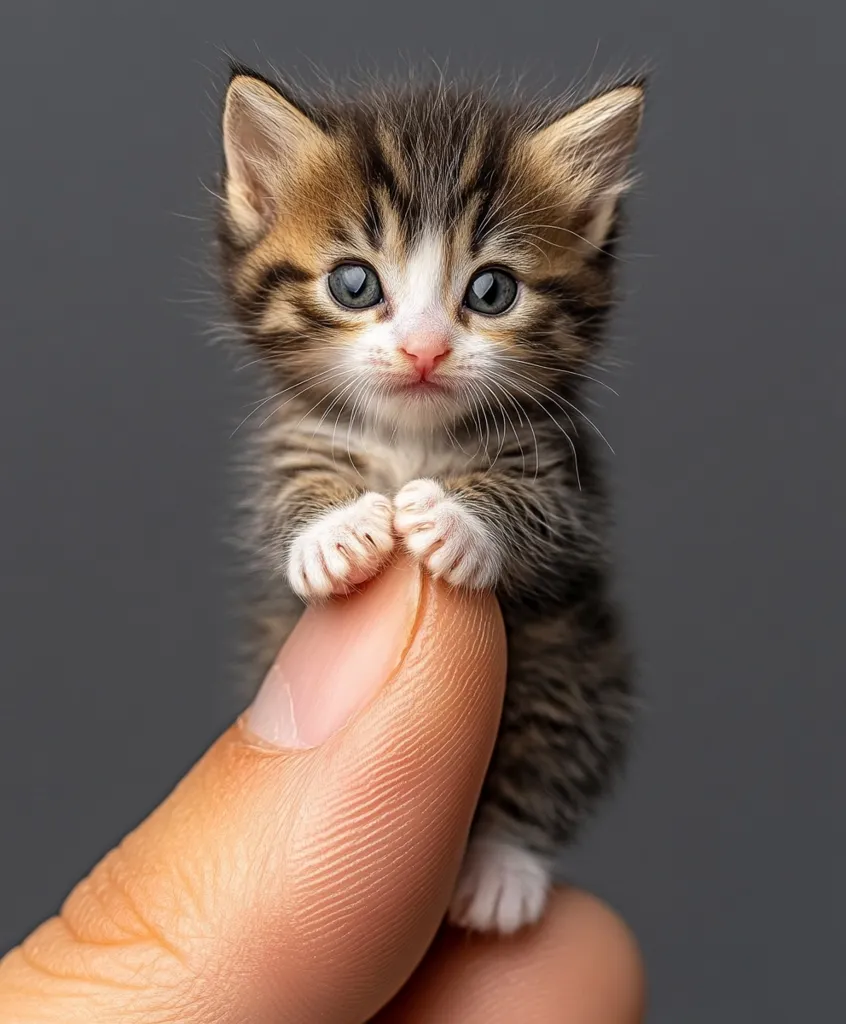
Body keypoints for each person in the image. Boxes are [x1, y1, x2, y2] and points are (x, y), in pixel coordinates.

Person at [0, 558, 645, 1022]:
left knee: (574, 679)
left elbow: (550, 537)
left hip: (518, 739)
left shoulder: (532, 442)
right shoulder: (312, 434)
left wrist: (483, 531)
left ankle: (515, 833)